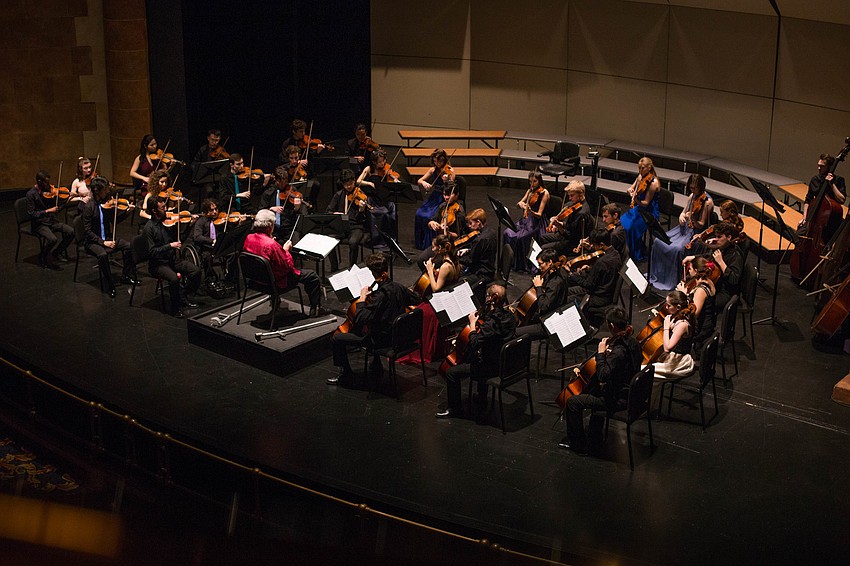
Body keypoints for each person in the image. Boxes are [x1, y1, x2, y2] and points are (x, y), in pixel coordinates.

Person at [560, 306, 641, 453]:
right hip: (629, 392)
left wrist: (601, 354)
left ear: (612, 326)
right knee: (596, 389)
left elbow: (604, 375)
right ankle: (594, 436)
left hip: (617, 399)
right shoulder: (633, 342)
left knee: (572, 402)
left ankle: (578, 445)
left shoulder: (618, 352)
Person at [329, 253, 415, 384]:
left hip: (382, 340)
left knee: (337, 338)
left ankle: (345, 374)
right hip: (400, 336)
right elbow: (414, 299)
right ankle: (376, 364)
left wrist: (362, 299)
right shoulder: (398, 287)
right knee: (377, 321)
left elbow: (360, 318)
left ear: (374, 273)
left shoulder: (380, 296)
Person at [437, 283, 517, 419]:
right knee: (482, 353)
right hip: (504, 363)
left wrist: (472, 325)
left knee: (451, 372)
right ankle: (482, 397)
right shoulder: (510, 316)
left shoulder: (491, 324)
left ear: (493, 297)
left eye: (487, 296)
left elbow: (474, 343)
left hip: (491, 367)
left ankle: (455, 409)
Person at [242, 209, 324, 317]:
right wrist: (285, 250)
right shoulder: (271, 244)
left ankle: (275, 302)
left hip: (255, 281)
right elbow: (287, 267)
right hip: (274, 284)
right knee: (312, 276)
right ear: (270, 226)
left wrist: (271, 241)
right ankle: (316, 309)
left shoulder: (249, 238)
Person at [403, 235, 462, 364]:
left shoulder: (446, 266)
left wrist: (430, 270)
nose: (433, 249)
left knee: (417, 312)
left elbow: (436, 288)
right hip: (447, 300)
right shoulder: (455, 261)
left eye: (435, 246)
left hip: (438, 304)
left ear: (441, 248)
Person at [649, 174, 714, 291]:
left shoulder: (707, 202)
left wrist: (693, 218)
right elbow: (684, 212)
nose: (693, 191)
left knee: (677, 249)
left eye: (695, 188)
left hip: (695, 233)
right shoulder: (691, 196)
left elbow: (701, 224)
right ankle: (658, 275)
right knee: (659, 241)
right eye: (691, 188)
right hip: (683, 229)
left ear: (701, 187)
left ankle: (671, 279)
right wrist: (682, 216)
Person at [143, 197, 202, 318]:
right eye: (162, 208)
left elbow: (180, 240)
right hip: (158, 264)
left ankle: (183, 295)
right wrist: (169, 246)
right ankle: (175, 309)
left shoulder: (169, 223)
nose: (166, 209)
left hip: (172, 260)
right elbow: (151, 252)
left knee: (196, 271)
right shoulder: (149, 228)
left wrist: (190, 225)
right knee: (174, 279)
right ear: (154, 211)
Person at [82, 177, 139, 297]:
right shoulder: (88, 208)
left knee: (128, 246)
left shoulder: (105, 205)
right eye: (105, 190)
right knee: (102, 255)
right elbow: (87, 231)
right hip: (92, 242)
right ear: (98, 191)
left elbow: (115, 220)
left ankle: (126, 275)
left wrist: (127, 213)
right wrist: (103, 242)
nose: (107, 192)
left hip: (106, 239)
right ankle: (109, 284)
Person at [564, 228, 623, 326]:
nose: (593, 247)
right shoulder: (616, 254)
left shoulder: (601, 262)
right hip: (607, 290)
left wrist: (571, 275)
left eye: (594, 245)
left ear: (601, 245)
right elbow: (605, 273)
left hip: (598, 296)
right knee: (568, 291)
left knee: (567, 298)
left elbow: (588, 285)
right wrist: (589, 269)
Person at [684, 221, 743, 312]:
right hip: (715, 286)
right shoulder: (722, 248)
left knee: (699, 300)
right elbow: (708, 256)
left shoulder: (735, 255)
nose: (716, 239)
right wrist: (693, 257)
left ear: (729, 237)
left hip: (725, 293)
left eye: (719, 237)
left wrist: (721, 262)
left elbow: (734, 280)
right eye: (715, 236)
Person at [25, 170, 75, 269]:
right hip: (38, 224)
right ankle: (42, 256)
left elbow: (56, 207)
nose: (48, 185)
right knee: (52, 239)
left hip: (50, 221)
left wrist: (66, 201)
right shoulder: (31, 194)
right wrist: (47, 211)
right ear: (39, 182)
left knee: (71, 232)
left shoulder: (49, 192)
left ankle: (57, 252)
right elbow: (32, 214)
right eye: (46, 182)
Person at [516, 248, 568, 339]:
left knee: (516, 333)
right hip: (546, 316)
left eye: (540, 264)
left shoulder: (555, 283)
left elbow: (544, 307)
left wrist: (539, 287)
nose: (539, 267)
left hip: (550, 323)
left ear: (550, 262)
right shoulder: (554, 273)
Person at [503, 171, 550, 273]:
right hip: (526, 220)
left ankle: (522, 264)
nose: (531, 184)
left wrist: (530, 210)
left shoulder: (544, 193)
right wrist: (520, 204)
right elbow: (519, 203)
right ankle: (510, 261)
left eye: (534, 182)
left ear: (539, 181)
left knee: (521, 237)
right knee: (507, 232)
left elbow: (539, 214)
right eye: (530, 182)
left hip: (537, 222)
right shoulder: (530, 191)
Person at [327, 169, 372, 273]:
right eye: (345, 184)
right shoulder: (338, 195)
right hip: (341, 226)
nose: (348, 187)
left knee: (353, 242)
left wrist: (361, 210)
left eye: (350, 184)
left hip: (356, 226)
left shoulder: (360, 195)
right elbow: (329, 211)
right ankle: (334, 268)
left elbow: (362, 220)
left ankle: (352, 269)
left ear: (354, 181)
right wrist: (335, 214)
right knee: (329, 240)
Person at [799, 152, 847, 244]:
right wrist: (805, 218)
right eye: (818, 165)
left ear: (829, 167)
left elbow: (842, 200)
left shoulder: (839, 180)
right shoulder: (815, 180)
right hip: (813, 220)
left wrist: (832, 184)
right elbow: (808, 200)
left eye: (822, 166)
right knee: (799, 235)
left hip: (830, 224)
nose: (819, 168)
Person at [416, 182, 465, 268]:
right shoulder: (442, 206)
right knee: (421, 260)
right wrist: (431, 223)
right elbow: (432, 221)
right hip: (439, 244)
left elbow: (459, 236)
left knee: (435, 264)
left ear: (457, 195)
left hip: (450, 247)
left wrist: (448, 232)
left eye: (449, 195)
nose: (446, 197)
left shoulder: (459, 212)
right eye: (444, 194)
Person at [620, 157, 661, 261]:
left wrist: (635, 198)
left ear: (649, 167)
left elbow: (646, 203)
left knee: (631, 227)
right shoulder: (640, 176)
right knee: (622, 222)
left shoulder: (653, 183)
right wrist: (630, 191)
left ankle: (637, 253)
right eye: (639, 168)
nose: (640, 171)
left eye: (642, 168)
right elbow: (631, 188)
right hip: (639, 208)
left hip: (649, 212)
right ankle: (636, 246)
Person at [538, 179, 593, 257]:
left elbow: (570, 236)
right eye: (569, 195)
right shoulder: (575, 204)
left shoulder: (581, 213)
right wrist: (560, 223)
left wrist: (558, 226)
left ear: (581, 194)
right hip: (568, 234)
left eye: (572, 195)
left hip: (573, 242)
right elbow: (570, 226)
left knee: (543, 248)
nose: (569, 198)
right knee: (542, 237)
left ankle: (551, 262)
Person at [415, 149, 455, 250]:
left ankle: (429, 244)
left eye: (440, 161)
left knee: (430, 216)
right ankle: (420, 242)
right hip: (434, 197)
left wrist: (447, 180)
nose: (437, 163)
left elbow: (452, 187)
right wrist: (424, 183)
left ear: (444, 160)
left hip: (444, 197)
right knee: (419, 213)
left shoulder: (449, 170)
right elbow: (419, 180)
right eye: (435, 161)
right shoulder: (432, 170)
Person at [676, 256, 717, 355]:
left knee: (676, 328)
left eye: (690, 268)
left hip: (702, 329)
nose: (688, 270)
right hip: (709, 323)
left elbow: (694, 314)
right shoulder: (709, 280)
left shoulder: (701, 290)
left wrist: (684, 294)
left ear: (696, 270)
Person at [651, 290, 696, 378]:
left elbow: (667, 348)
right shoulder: (678, 315)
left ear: (678, 307)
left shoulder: (682, 324)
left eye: (668, 305)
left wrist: (666, 327)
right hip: (674, 356)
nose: (666, 307)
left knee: (646, 372)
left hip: (680, 362)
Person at [457, 207, 497, 301]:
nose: (469, 226)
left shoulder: (480, 239)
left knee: (458, 282)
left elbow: (471, 261)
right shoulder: (491, 232)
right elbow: (482, 251)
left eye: (471, 223)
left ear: (478, 222)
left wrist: (456, 258)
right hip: (490, 269)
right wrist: (468, 250)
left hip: (482, 274)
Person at [261, 164, 307, 241]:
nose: (284, 185)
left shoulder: (292, 190)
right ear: (276, 180)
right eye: (282, 182)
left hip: (288, 228)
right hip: (273, 229)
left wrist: (296, 208)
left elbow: (296, 214)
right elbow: (261, 211)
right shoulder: (268, 193)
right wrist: (271, 209)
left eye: (286, 182)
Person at [282, 144, 321, 210]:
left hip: (304, 186)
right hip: (293, 189)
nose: (294, 161)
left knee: (316, 184)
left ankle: (310, 203)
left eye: (296, 158)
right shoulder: (285, 168)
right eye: (291, 158)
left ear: (299, 156)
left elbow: (311, 175)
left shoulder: (303, 165)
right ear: (288, 158)